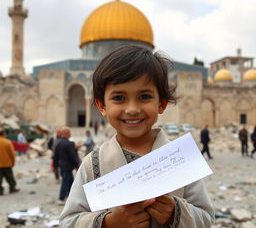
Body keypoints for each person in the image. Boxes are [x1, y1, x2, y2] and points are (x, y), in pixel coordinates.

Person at [60, 45, 215, 227]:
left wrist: (175, 212)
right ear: (102, 106)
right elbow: (68, 221)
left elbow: (206, 218)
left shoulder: (181, 160)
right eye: (119, 98)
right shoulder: (93, 164)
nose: (132, 109)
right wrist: (109, 222)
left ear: (162, 104)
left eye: (144, 96)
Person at [53, 126, 80, 205]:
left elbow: (55, 156)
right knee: (65, 181)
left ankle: (71, 197)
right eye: (70, 133)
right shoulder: (69, 143)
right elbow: (73, 156)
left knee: (70, 181)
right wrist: (77, 166)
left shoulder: (58, 143)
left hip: (61, 165)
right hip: (68, 166)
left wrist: (55, 167)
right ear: (67, 134)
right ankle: (61, 198)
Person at [0, 127, 20, 195]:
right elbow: (12, 154)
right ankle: (12, 188)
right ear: (4, 134)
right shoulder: (7, 142)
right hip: (7, 164)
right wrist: (13, 162)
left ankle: (0, 191)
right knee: (10, 178)